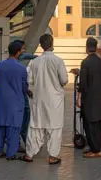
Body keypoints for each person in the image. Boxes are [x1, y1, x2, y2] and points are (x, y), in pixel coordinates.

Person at [23, 34, 68, 165]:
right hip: (55, 100)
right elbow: (64, 80)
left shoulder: (34, 62)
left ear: (41, 45)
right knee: (54, 128)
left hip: (39, 99)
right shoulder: (58, 61)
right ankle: (53, 156)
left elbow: (29, 80)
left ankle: (29, 154)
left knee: (36, 126)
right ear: (52, 43)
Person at [0, 40, 29, 160]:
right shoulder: (21, 68)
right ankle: (10, 153)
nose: (24, 51)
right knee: (14, 127)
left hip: (2, 101)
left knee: (0, 125)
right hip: (16, 102)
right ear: (18, 52)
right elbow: (24, 87)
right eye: (23, 49)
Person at [78, 37, 101, 158]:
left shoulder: (85, 62)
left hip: (88, 98)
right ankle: (96, 147)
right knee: (97, 124)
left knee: (89, 124)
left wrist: (79, 98)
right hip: (98, 97)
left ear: (87, 47)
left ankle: (94, 150)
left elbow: (83, 83)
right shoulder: (100, 62)